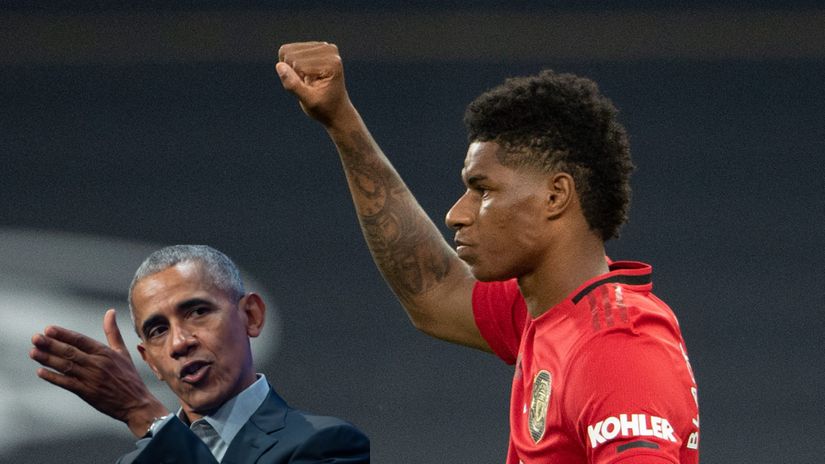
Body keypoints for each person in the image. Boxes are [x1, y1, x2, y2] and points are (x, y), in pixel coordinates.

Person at [277, 42, 700, 463]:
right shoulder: (553, 313)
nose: (455, 215)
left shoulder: (616, 348)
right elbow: (434, 291)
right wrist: (340, 120)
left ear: (556, 196)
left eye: (483, 190)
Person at [30, 244, 369, 463]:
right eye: (158, 330)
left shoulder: (327, 445)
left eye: (197, 312)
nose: (179, 343)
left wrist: (143, 413)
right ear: (150, 362)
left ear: (251, 315)